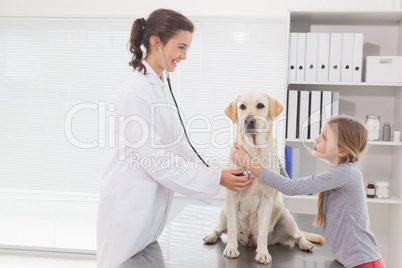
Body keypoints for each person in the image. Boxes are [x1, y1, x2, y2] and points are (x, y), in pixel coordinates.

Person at [97, 9, 253, 268]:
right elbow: (156, 160)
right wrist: (217, 179)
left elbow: (178, 146)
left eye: (187, 48)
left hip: (148, 214)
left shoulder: (160, 86)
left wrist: (218, 171)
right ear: (157, 42)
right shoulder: (136, 91)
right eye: (180, 47)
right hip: (128, 211)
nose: (184, 56)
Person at [231, 115, 385, 268]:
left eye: (324, 137)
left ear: (342, 150)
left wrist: (248, 162)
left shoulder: (345, 173)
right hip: (351, 260)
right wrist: (273, 159)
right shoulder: (343, 172)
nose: (316, 139)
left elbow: (291, 188)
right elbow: (289, 183)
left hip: (364, 262)